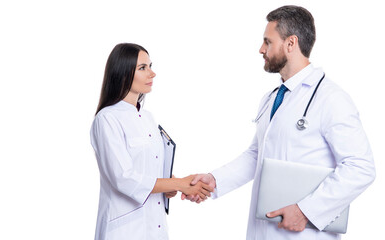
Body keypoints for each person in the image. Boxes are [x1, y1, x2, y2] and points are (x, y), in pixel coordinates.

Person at [184, 5, 376, 240]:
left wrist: (306, 211)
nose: (261, 49)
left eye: (268, 42)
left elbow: (361, 167)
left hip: (303, 232)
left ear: (291, 43)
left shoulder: (331, 99)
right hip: (264, 230)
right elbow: (257, 154)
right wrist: (214, 180)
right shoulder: (274, 97)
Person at [90, 43, 213, 240]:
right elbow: (123, 178)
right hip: (124, 232)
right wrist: (179, 183)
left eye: (150, 66)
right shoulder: (106, 119)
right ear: (122, 73)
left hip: (155, 228)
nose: (152, 74)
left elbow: (149, 172)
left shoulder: (147, 117)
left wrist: (173, 186)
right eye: (142, 68)